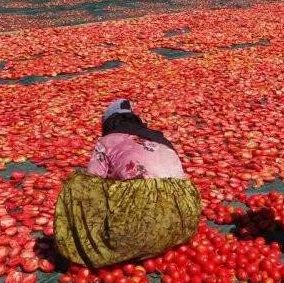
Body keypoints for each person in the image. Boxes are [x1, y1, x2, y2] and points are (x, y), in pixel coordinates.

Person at [54, 99, 201, 270]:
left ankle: (123, 243)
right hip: (185, 218)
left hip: (141, 218)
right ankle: (158, 240)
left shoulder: (107, 141)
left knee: (77, 184)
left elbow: (91, 183)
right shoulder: (162, 140)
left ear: (110, 123)